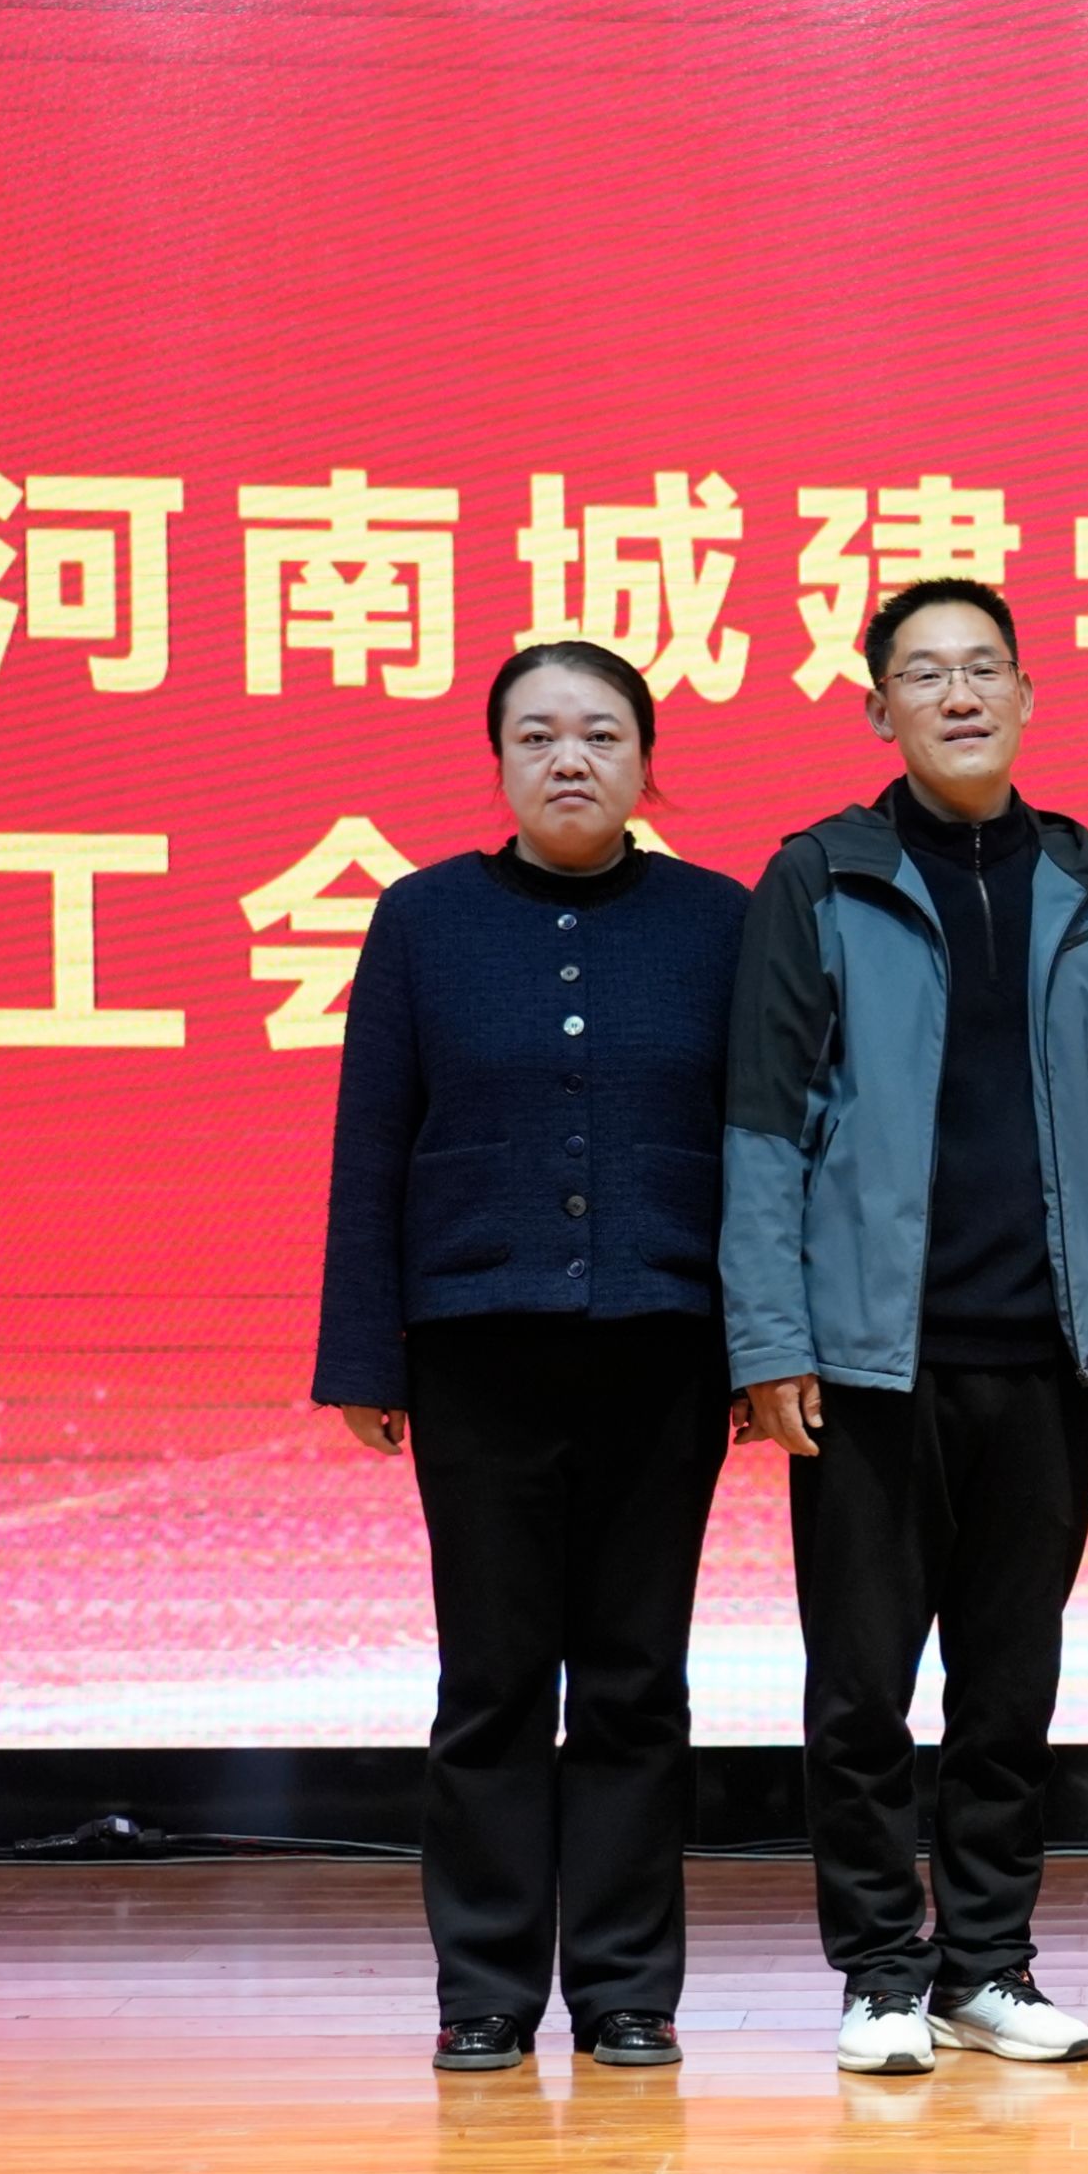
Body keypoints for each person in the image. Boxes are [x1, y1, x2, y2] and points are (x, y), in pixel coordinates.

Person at [720, 578, 1088, 2077]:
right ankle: (877, 1972)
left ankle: (987, 1963)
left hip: (1045, 1359)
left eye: (986, 669)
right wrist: (769, 1341)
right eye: (925, 674)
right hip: (866, 1362)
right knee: (860, 1690)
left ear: (1029, 696)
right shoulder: (821, 877)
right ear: (878, 711)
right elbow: (764, 1126)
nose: (960, 695)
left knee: (1008, 1688)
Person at [312, 640, 754, 2076]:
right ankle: (487, 1989)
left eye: (602, 734)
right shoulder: (423, 918)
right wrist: (364, 1352)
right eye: (539, 735)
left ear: (646, 763)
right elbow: (374, 1139)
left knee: (635, 1680)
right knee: (493, 1679)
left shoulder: (718, 921)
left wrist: (764, 1346)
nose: (571, 759)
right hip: (477, 1354)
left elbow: (761, 1148)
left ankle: (626, 1987)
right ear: (498, 762)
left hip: (664, 1349)